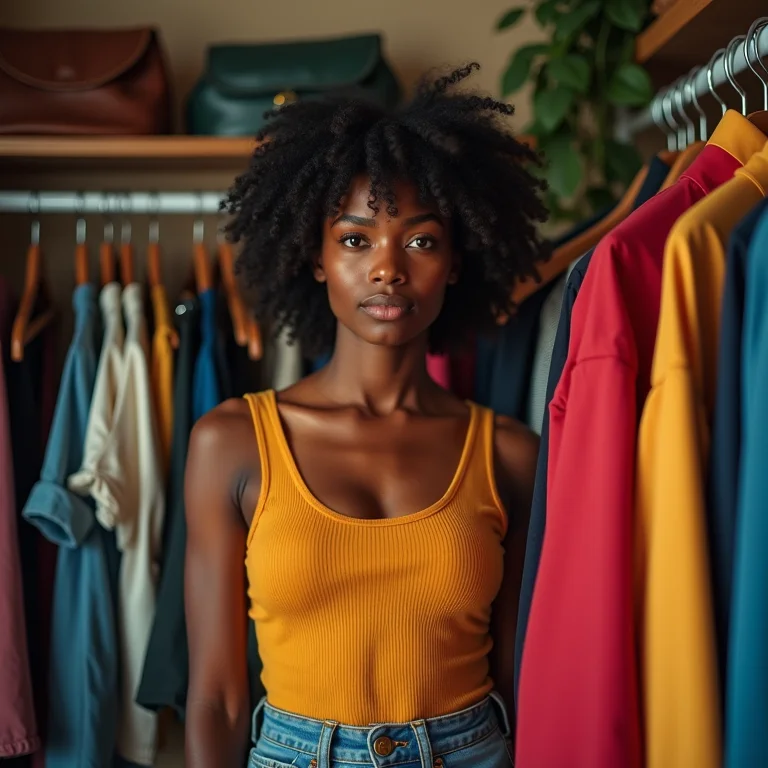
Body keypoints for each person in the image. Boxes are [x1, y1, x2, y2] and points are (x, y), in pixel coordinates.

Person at [184, 62, 548, 768]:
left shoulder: (509, 455)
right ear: (315, 257)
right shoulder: (232, 444)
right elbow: (218, 697)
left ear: (456, 261)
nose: (388, 269)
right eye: (355, 240)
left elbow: (523, 683)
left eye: (420, 240)